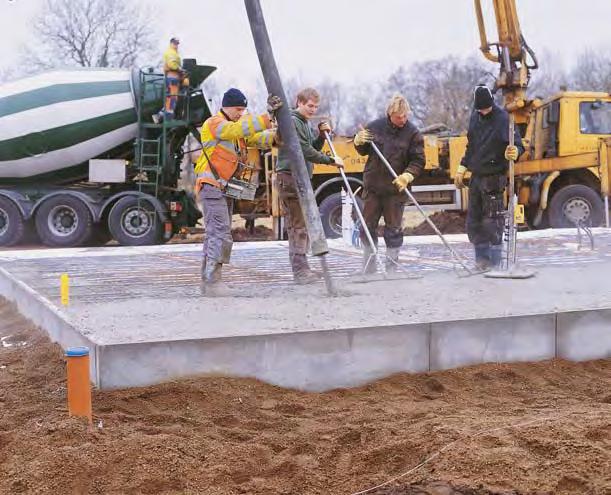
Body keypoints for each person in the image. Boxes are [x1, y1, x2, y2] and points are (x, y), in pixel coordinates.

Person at [194, 88, 281, 284]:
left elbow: (256, 139)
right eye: (238, 109)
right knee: (220, 232)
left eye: (243, 110)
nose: (241, 114)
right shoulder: (215, 123)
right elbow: (238, 130)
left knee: (215, 234)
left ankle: (209, 279)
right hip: (212, 185)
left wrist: (276, 136)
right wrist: (267, 117)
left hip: (224, 188)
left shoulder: (234, 128)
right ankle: (212, 281)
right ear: (226, 107)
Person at [275, 87, 344, 284]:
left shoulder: (302, 122)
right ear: (299, 103)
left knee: (300, 224)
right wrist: (331, 161)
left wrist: (322, 137)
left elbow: (311, 147)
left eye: (316, 107)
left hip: (297, 177)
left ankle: (302, 269)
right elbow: (304, 150)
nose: (313, 110)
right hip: (290, 177)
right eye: (310, 106)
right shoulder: (293, 121)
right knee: (298, 225)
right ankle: (300, 271)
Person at [353, 94, 425, 273]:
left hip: (395, 190)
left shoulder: (413, 133)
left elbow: (418, 161)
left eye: (405, 116)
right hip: (373, 188)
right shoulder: (375, 127)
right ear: (390, 114)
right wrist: (358, 141)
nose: (402, 120)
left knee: (393, 231)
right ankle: (369, 269)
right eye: (398, 117)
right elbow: (363, 151)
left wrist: (407, 176)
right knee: (367, 227)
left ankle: (392, 269)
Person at [454, 85, 523, 269]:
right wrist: (462, 167)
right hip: (476, 177)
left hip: (494, 177)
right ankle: (481, 260)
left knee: (492, 222)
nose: (483, 112)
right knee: (474, 221)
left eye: (486, 108)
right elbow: (471, 146)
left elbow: (518, 144)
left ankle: (495, 262)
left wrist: (515, 151)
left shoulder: (503, 120)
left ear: (491, 103)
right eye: (480, 109)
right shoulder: (475, 118)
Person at [154, 37, 183, 123]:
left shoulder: (174, 52)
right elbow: (172, 64)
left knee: (171, 97)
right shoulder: (171, 52)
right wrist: (180, 69)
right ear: (171, 43)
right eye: (175, 43)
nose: (176, 45)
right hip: (172, 77)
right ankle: (165, 117)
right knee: (172, 98)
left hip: (173, 77)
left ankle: (162, 115)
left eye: (177, 43)